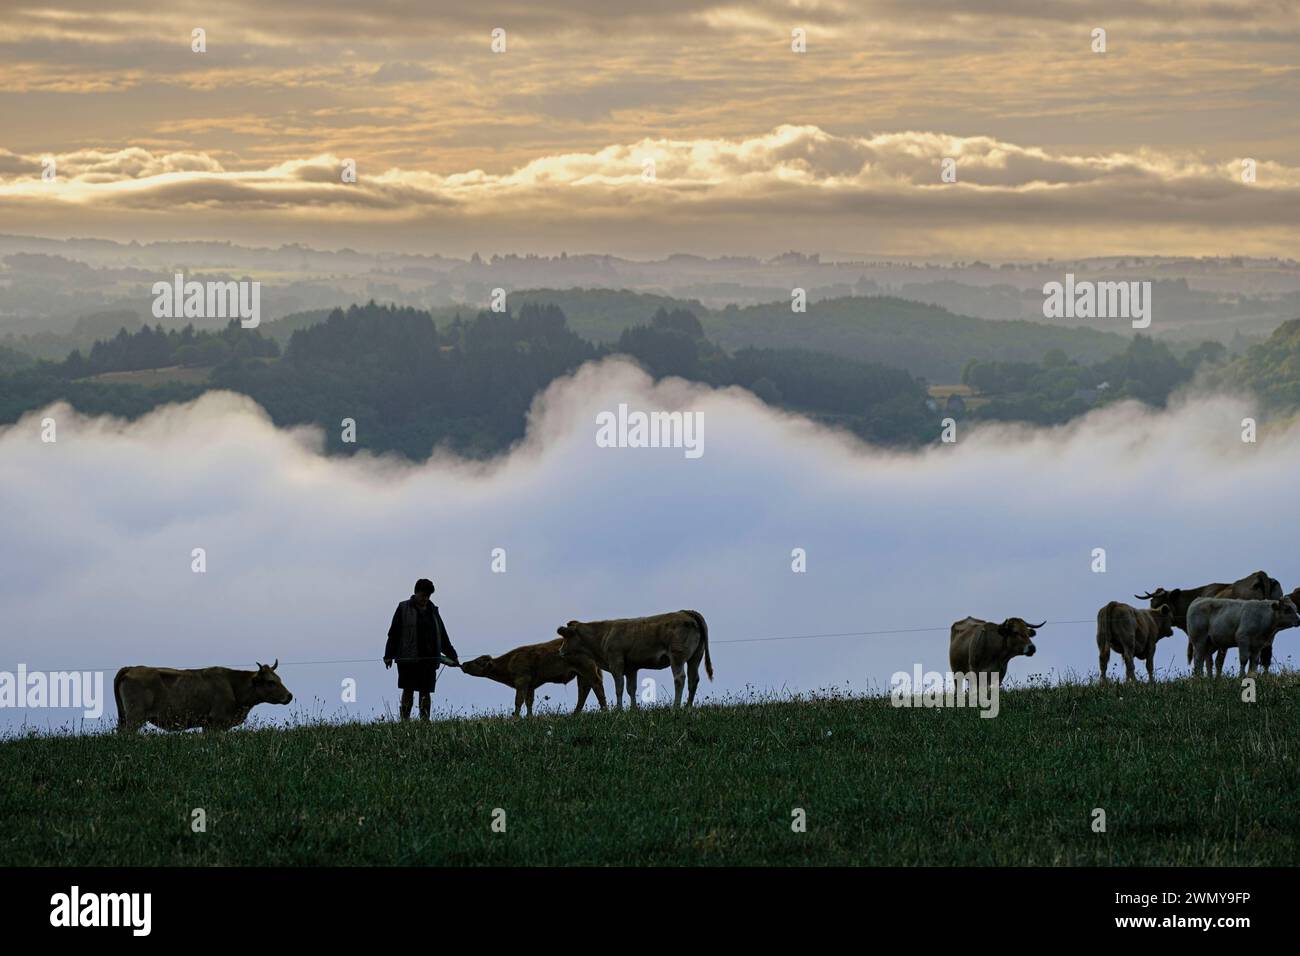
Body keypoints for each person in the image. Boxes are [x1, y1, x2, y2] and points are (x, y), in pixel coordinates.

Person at [384, 578, 459, 721]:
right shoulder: (403, 608)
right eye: (423, 595)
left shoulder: (433, 611)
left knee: (425, 692)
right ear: (416, 592)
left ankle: (424, 722)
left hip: (429, 659)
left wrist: (452, 655)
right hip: (408, 659)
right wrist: (388, 655)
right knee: (408, 690)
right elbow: (393, 633)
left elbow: (442, 636)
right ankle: (404, 722)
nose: (425, 598)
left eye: (428, 596)